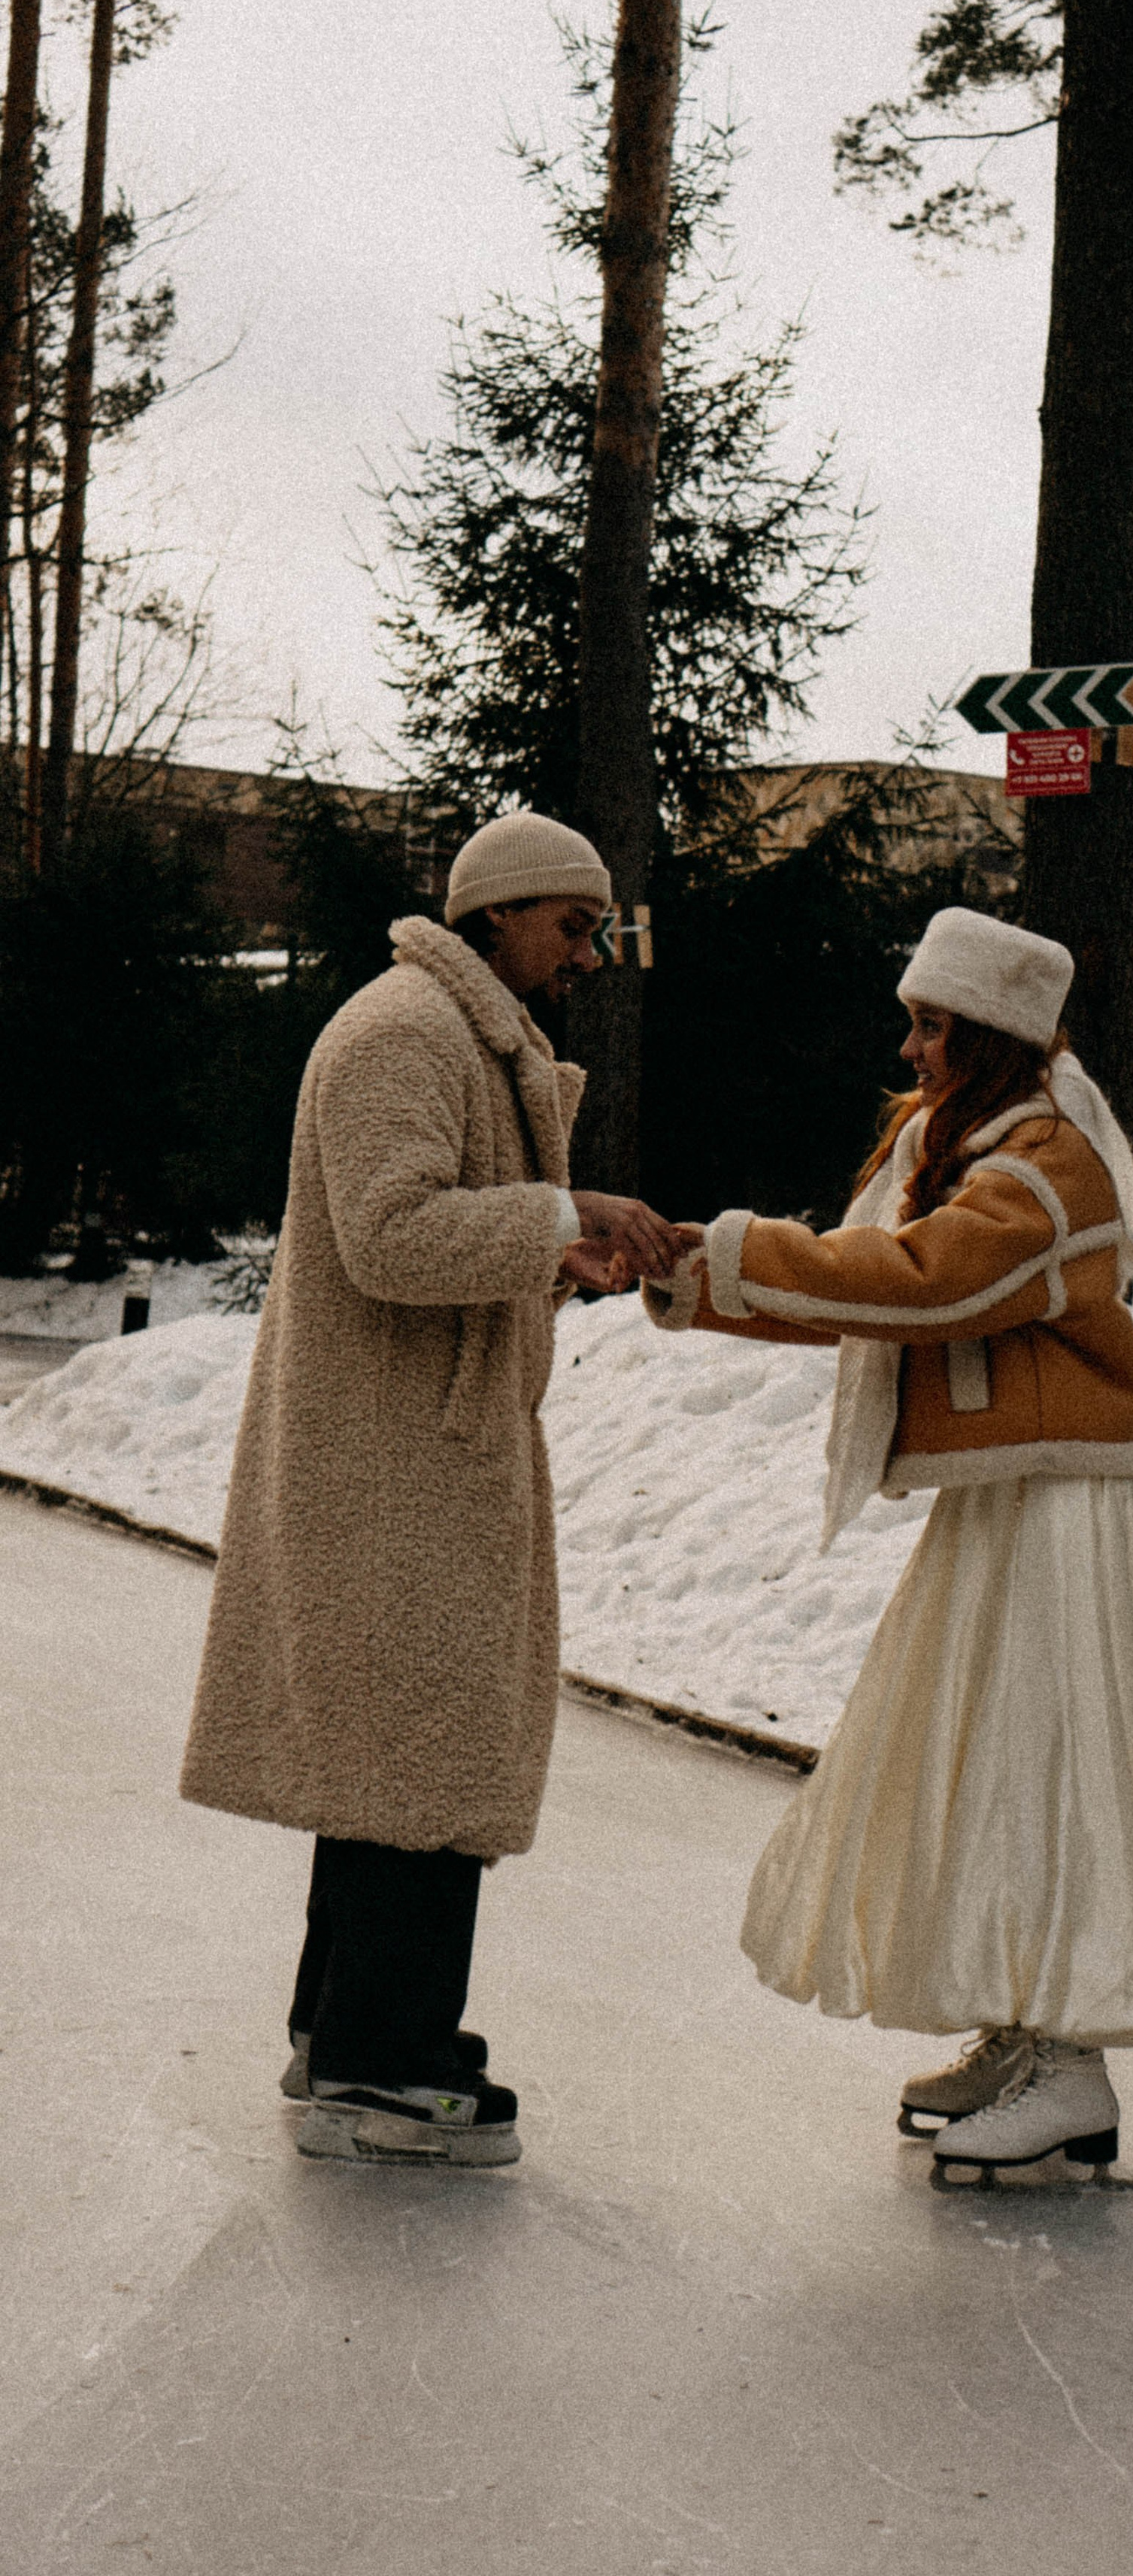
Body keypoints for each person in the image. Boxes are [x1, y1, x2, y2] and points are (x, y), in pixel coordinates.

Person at [647, 907, 1133, 2187]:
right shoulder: (993, 1142)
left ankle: (1075, 2061)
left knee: (1048, 1766)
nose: (910, 1046)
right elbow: (882, 1271)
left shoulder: (1050, 1169)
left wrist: (713, 1259)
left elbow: (919, 1282)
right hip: (1012, 1497)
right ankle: (1028, 2029)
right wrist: (705, 1277)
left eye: (932, 1023)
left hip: (1061, 1508)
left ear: (994, 1035)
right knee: (995, 1758)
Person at [179, 810, 674, 2169]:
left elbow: (423, 1228)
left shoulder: (453, 1031)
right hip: (392, 1459)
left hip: (418, 1449)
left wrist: (555, 1248)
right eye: (573, 926)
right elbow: (389, 1235)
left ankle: (349, 2026)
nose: (589, 954)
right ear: (497, 914)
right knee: (418, 1749)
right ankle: (375, 2059)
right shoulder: (404, 1032)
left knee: (397, 1752)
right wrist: (563, 1221)